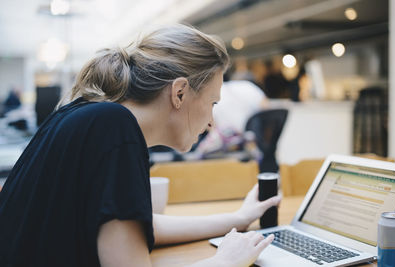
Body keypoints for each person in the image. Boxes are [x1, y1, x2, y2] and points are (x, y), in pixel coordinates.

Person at [0, 24, 280, 267]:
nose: (211, 123)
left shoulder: (90, 115)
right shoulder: (114, 128)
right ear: (179, 92)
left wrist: (239, 218)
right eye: (212, 103)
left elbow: (140, 224)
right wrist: (225, 261)